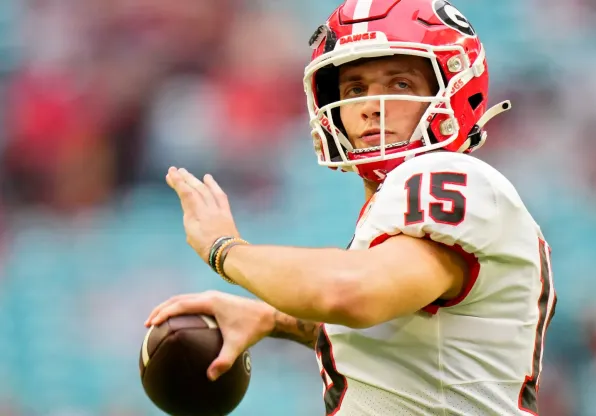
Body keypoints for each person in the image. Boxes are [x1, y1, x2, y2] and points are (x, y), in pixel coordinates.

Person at [145, 0, 557, 414]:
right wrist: (272, 318)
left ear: (455, 89)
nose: (370, 105)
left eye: (399, 84)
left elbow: (354, 295)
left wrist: (225, 249)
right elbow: (404, 329)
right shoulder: (402, 202)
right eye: (355, 88)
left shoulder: (452, 176)